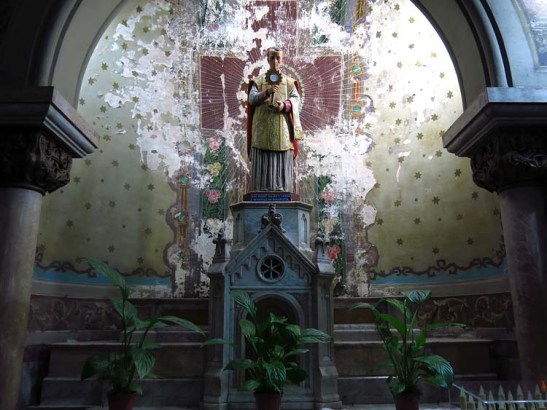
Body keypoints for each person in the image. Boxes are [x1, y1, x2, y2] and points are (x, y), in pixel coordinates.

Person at [247, 47, 303, 192]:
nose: (275, 61)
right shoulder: (258, 81)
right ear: (267, 59)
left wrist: (284, 106)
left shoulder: (289, 82)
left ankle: (281, 188)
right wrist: (266, 92)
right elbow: (252, 99)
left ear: (282, 60)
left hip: (283, 130)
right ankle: (262, 189)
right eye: (272, 58)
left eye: (278, 58)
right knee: (263, 158)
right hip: (262, 129)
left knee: (282, 157)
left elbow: (296, 100)